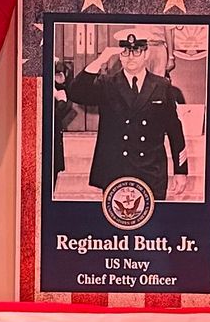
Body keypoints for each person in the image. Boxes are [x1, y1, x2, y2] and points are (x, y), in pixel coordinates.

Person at [66, 33, 188, 200]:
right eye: (125, 51)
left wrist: (181, 171)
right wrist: (101, 59)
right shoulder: (107, 84)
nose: (131, 57)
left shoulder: (162, 86)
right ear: (119, 56)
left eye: (137, 51)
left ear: (146, 54)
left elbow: (175, 130)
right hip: (116, 170)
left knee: (153, 224)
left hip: (151, 171)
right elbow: (75, 92)